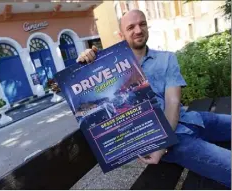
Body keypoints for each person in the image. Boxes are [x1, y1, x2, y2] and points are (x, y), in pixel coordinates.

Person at [76, 10, 231, 188]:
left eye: (142, 24)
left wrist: (162, 143)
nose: (138, 30)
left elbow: (173, 102)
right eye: (131, 27)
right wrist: (85, 62)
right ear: (121, 35)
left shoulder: (166, 59)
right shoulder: (109, 71)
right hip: (175, 142)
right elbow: (81, 92)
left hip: (192, 119)